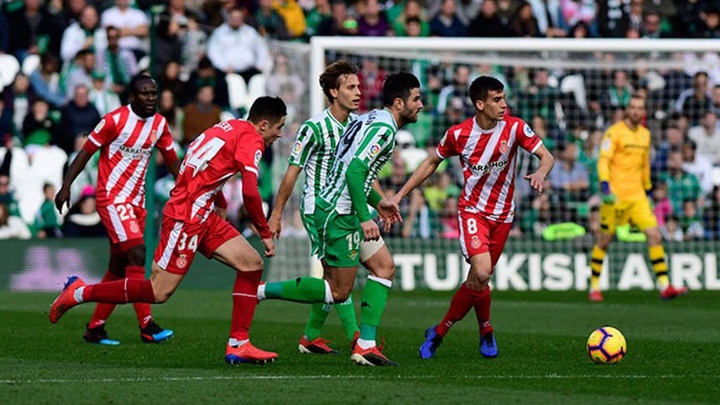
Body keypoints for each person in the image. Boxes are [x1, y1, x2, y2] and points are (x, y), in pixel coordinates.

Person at [50, 96, 287, 365]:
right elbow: (250, 193)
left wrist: (218, 199)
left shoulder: (228, 126)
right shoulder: (252, 139)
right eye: (279, 127)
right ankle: (79, 292)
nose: (279, 134)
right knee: (158, 292)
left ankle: (238, 344)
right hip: (186, 217)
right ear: (264, 125)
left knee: (251, 264)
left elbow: (196, 166)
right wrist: (264, 232)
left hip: (202, 213)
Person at [258, 72, 423, 367]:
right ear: (399, 103)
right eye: (416, 99)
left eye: (359, 86)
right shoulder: (376, 127)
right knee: (337, 289)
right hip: (333, 212)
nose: (421, 105)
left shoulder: (364, 120)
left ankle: (362, 343)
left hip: (344, 207)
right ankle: (260, 291)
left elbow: (357, 173)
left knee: (383, 267)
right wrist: (365, 217)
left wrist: (378, 203)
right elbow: (354, 171)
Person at [390, 76, 555, 359]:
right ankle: (474, 332)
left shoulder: (515, 128)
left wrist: (541, 172)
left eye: (504, 98)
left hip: (503, 215)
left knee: (478, 280)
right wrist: (400, 194)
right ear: (480, 104)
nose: (503, 105)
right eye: (496, 100)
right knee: (481, 272)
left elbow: (547, 156)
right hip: (473, 212)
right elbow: (431, 162)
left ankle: (446, 331)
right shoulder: (459, 134)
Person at [54, 74, 180, 346]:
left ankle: (95, 328)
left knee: (118, 268)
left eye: (153, 93)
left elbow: (172, 162)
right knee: (137, 254)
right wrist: (66, 186)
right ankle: (147, 325)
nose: (151, 98)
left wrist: (189, 191)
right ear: (132, 97)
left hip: (137, 203)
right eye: (145, 94)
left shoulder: (159, 124)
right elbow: (86, 153)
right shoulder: (114, 121)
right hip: (112, 199)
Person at [589, 94, 688, 302]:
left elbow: (644, 166)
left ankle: (665, 286)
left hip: (638, 197)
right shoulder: (614, 132)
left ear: (643, 111)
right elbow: (604, 160)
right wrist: (605, 185)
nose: (635, 111)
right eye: (632, 107)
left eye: (639, 107)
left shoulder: (645, 135)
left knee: (655, 235)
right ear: (627, 109)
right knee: (604, 240)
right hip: (615, 196)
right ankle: (594, 286)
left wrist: (648, 190)